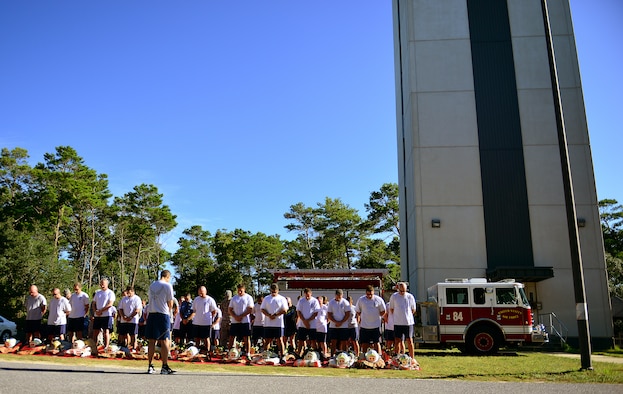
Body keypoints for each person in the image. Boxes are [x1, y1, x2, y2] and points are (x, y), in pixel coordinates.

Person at [146, 270, 175, 375]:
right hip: (163, 314)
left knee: (152, 341)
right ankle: (164, 366)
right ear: (168, 277)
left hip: (152, 313)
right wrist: (169, 310)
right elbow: (170, 302)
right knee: (165, 340)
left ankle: (150, 365)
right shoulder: (168, 286)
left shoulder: (152, 285)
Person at [355, 285, 386, 355]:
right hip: (364, 325)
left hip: (376, 325)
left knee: (376, 342)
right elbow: (357, 310)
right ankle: (363, 356)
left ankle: (378, 356)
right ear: (366, 293)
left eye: (371, 294)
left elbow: (383, 310)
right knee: (364, 343)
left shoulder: (378, 299)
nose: (369, 296)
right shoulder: (361, 300)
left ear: (373, 292)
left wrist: (377, 316)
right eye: (368, 294)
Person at [389, 282, 417, 359]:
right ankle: (397, 357)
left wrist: (407, 315)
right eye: (401, 291)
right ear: (398, 289)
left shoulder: (410, 297)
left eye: (404, 291)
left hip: (408, 322)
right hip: (398, 322)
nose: (402, 293)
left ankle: (412, 358)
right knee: (397, 340)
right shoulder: (394, 297)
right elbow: (391, 309)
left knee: (409, 340)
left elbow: (413, 309)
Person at [260, 283, 288, 357]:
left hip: (278, 323)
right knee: (267, 340)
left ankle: (282, 355)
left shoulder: (282, 299)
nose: (273, 292)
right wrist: (269, 315)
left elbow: (285, 310)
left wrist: (275, 314)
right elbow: (262, 309)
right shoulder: (266, 298)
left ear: (278, 290)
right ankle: (265, 355)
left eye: (275, 291)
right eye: (272, 291)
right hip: (268, 323)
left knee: (279, 340)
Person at [189, 286, 217, 350]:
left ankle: (207, 351)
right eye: (199, 292)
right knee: (196, 338)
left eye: (202, 292)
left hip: (206, 322)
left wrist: (211, 318)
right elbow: (194, 310)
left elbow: (214, 310)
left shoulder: (210, 300)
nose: (201, 293)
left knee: (206, 338)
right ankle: (196, 350)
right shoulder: (196, 299)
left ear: (205, 292)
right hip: (197, 322)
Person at [228, 283, 254, 353]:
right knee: (231, 337)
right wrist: (235, 316)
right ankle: (229, 352)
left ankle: (247, 353)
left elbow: (250, 309)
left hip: (245, 321)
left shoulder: (248, 297)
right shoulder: (234, 298)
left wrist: (241, 316)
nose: (239, 292)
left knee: (246, 337)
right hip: (234, 321)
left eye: (241, 291)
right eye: (238, 290)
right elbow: (230, 309)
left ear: (244, 290)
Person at [92, 278, 116, 350]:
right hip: (97, 315)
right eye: (101, 283)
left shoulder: (110, 293)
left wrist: (101, 310)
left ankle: (106, 346)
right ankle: (94, 346)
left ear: (107, 284)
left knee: (106, 331)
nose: (102, 285)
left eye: (104, 284)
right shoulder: (97, 293)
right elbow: (93, 303)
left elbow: (110, 304)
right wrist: (95, 311)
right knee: (96, 331)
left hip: (106, 314)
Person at [295, 288, 319, 356]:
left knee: (313, 340)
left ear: (311, 294)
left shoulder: (314, 301)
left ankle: (316, 354)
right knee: (301, 340)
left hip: (312, 324)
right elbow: (299, 311)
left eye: (308, 295)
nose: (307, 297)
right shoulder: (301, 301)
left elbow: (316, 312)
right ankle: (299, 354)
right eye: (306, 295)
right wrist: (304, 321)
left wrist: (308, 321)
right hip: (302, 324)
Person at [327, 289, 351, 356]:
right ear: (335, 295)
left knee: (344, 341)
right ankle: (332, 356)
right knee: (333, 341)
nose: (339, 297)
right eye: (338, 296)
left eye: (340, 296)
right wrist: (335, 322)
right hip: (333, 325)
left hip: (343, 326)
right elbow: (329, 314)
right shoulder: (331, 303)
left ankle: (344, 355)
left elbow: (347, 314)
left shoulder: (345, 302)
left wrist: (341, 322)